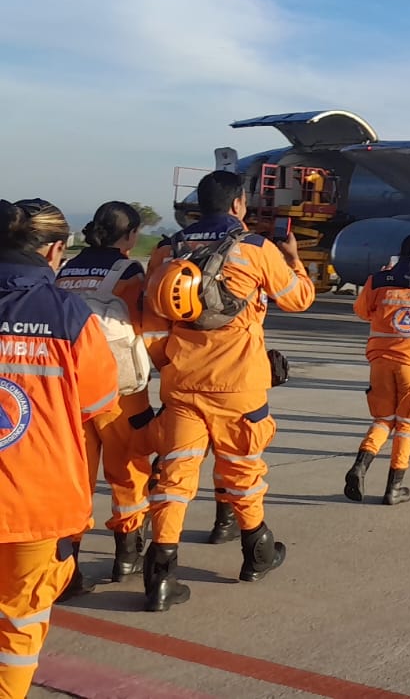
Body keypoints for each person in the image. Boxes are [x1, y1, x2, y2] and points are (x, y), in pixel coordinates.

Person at [142, 170, 316, 612]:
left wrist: (173, 368)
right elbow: (299, 299)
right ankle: (256, 551)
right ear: (239, 204)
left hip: (182, 383)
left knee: (175, 474)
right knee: (243, 468)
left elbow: (153, 326)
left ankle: (160, 571)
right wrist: (293, 259)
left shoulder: (167, 250)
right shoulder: (256, 249)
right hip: (239, 382)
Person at [0, 198, 121, 697]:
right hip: (36, 500)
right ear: (53, 250)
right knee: (20, 623)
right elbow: (99, 402)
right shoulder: (69, 314)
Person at [55, 202, 157, 589]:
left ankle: (68, 566)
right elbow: (142, 324)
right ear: (130, 235)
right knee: (128, 471)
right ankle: (126, 555)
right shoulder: (128, 270)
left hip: (71, 389)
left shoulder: (67, 268)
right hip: (120, 390)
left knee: (77, 477)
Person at [344, 234, 410, 506]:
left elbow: (361, 311)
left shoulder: (377, 281)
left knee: (383, 419)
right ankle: (395, 487)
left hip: (380, 359)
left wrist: (385, 280)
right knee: (407, 425)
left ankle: (360, 465)